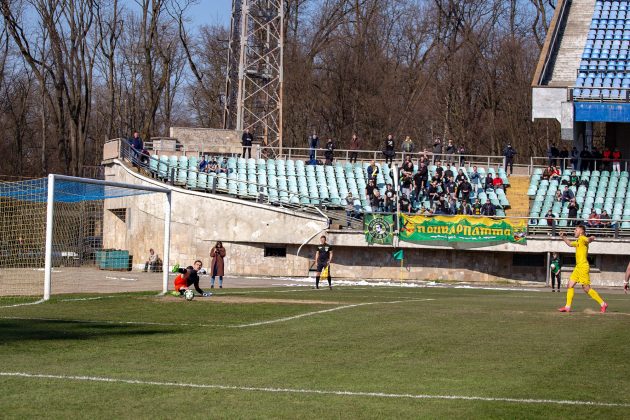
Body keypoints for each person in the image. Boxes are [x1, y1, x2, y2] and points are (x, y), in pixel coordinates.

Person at [558, 226, 607, 313]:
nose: (574, 231)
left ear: (581, 231)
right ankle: (567, 307)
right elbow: (569, 244)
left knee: (586, 288)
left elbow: (588, 240)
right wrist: (563, 237)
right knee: (570, 285)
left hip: (583, 267)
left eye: (576, 230)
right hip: (578, 267)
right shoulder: (578, 240)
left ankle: (603, 304)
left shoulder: (582, 238)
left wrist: (591, 237)